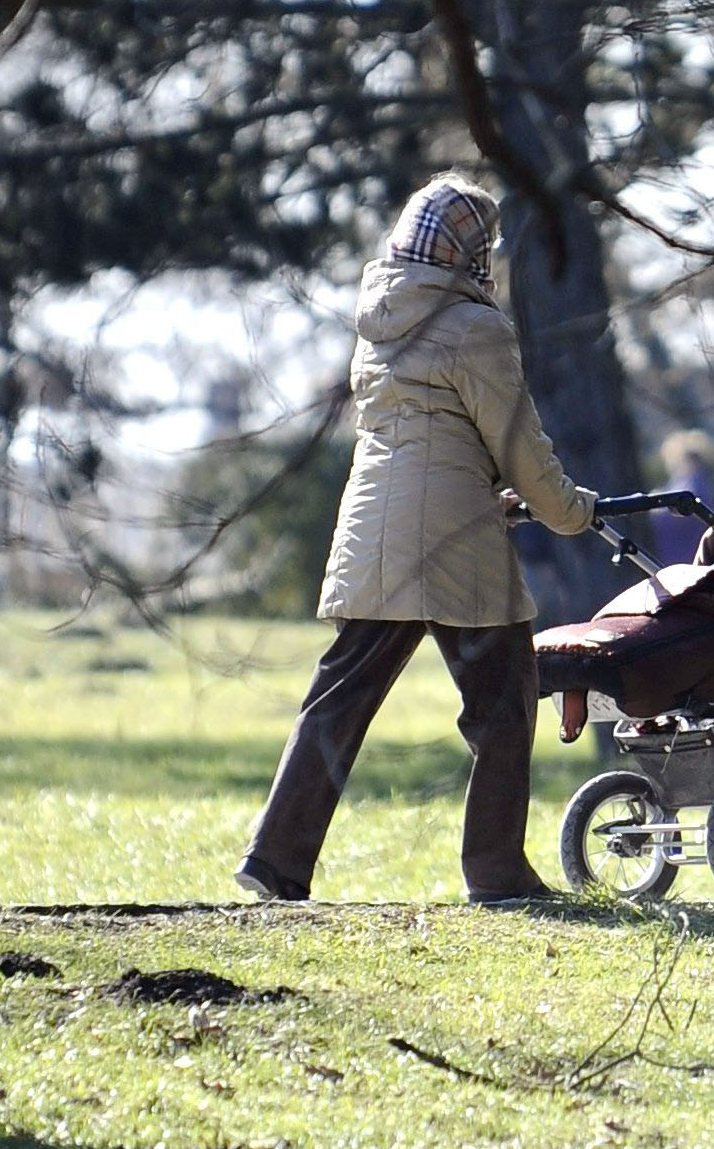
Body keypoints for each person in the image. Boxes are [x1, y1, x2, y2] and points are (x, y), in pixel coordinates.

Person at [236, 176, 600, 905]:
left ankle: (274, 861)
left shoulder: (380, 322)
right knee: (504, 703)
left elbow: (427, 438)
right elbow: (518, 444)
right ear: (470, 252)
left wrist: (479, 487)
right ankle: (496, 871)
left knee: (338, 699)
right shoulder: (474, 328)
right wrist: (571, 512)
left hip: (372, 530)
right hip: (453, 540)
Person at [646, 430, 714, 565]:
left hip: (683, 554)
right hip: (676, 552)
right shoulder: (683, 482)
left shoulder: (695, 485)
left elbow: (668, 513)